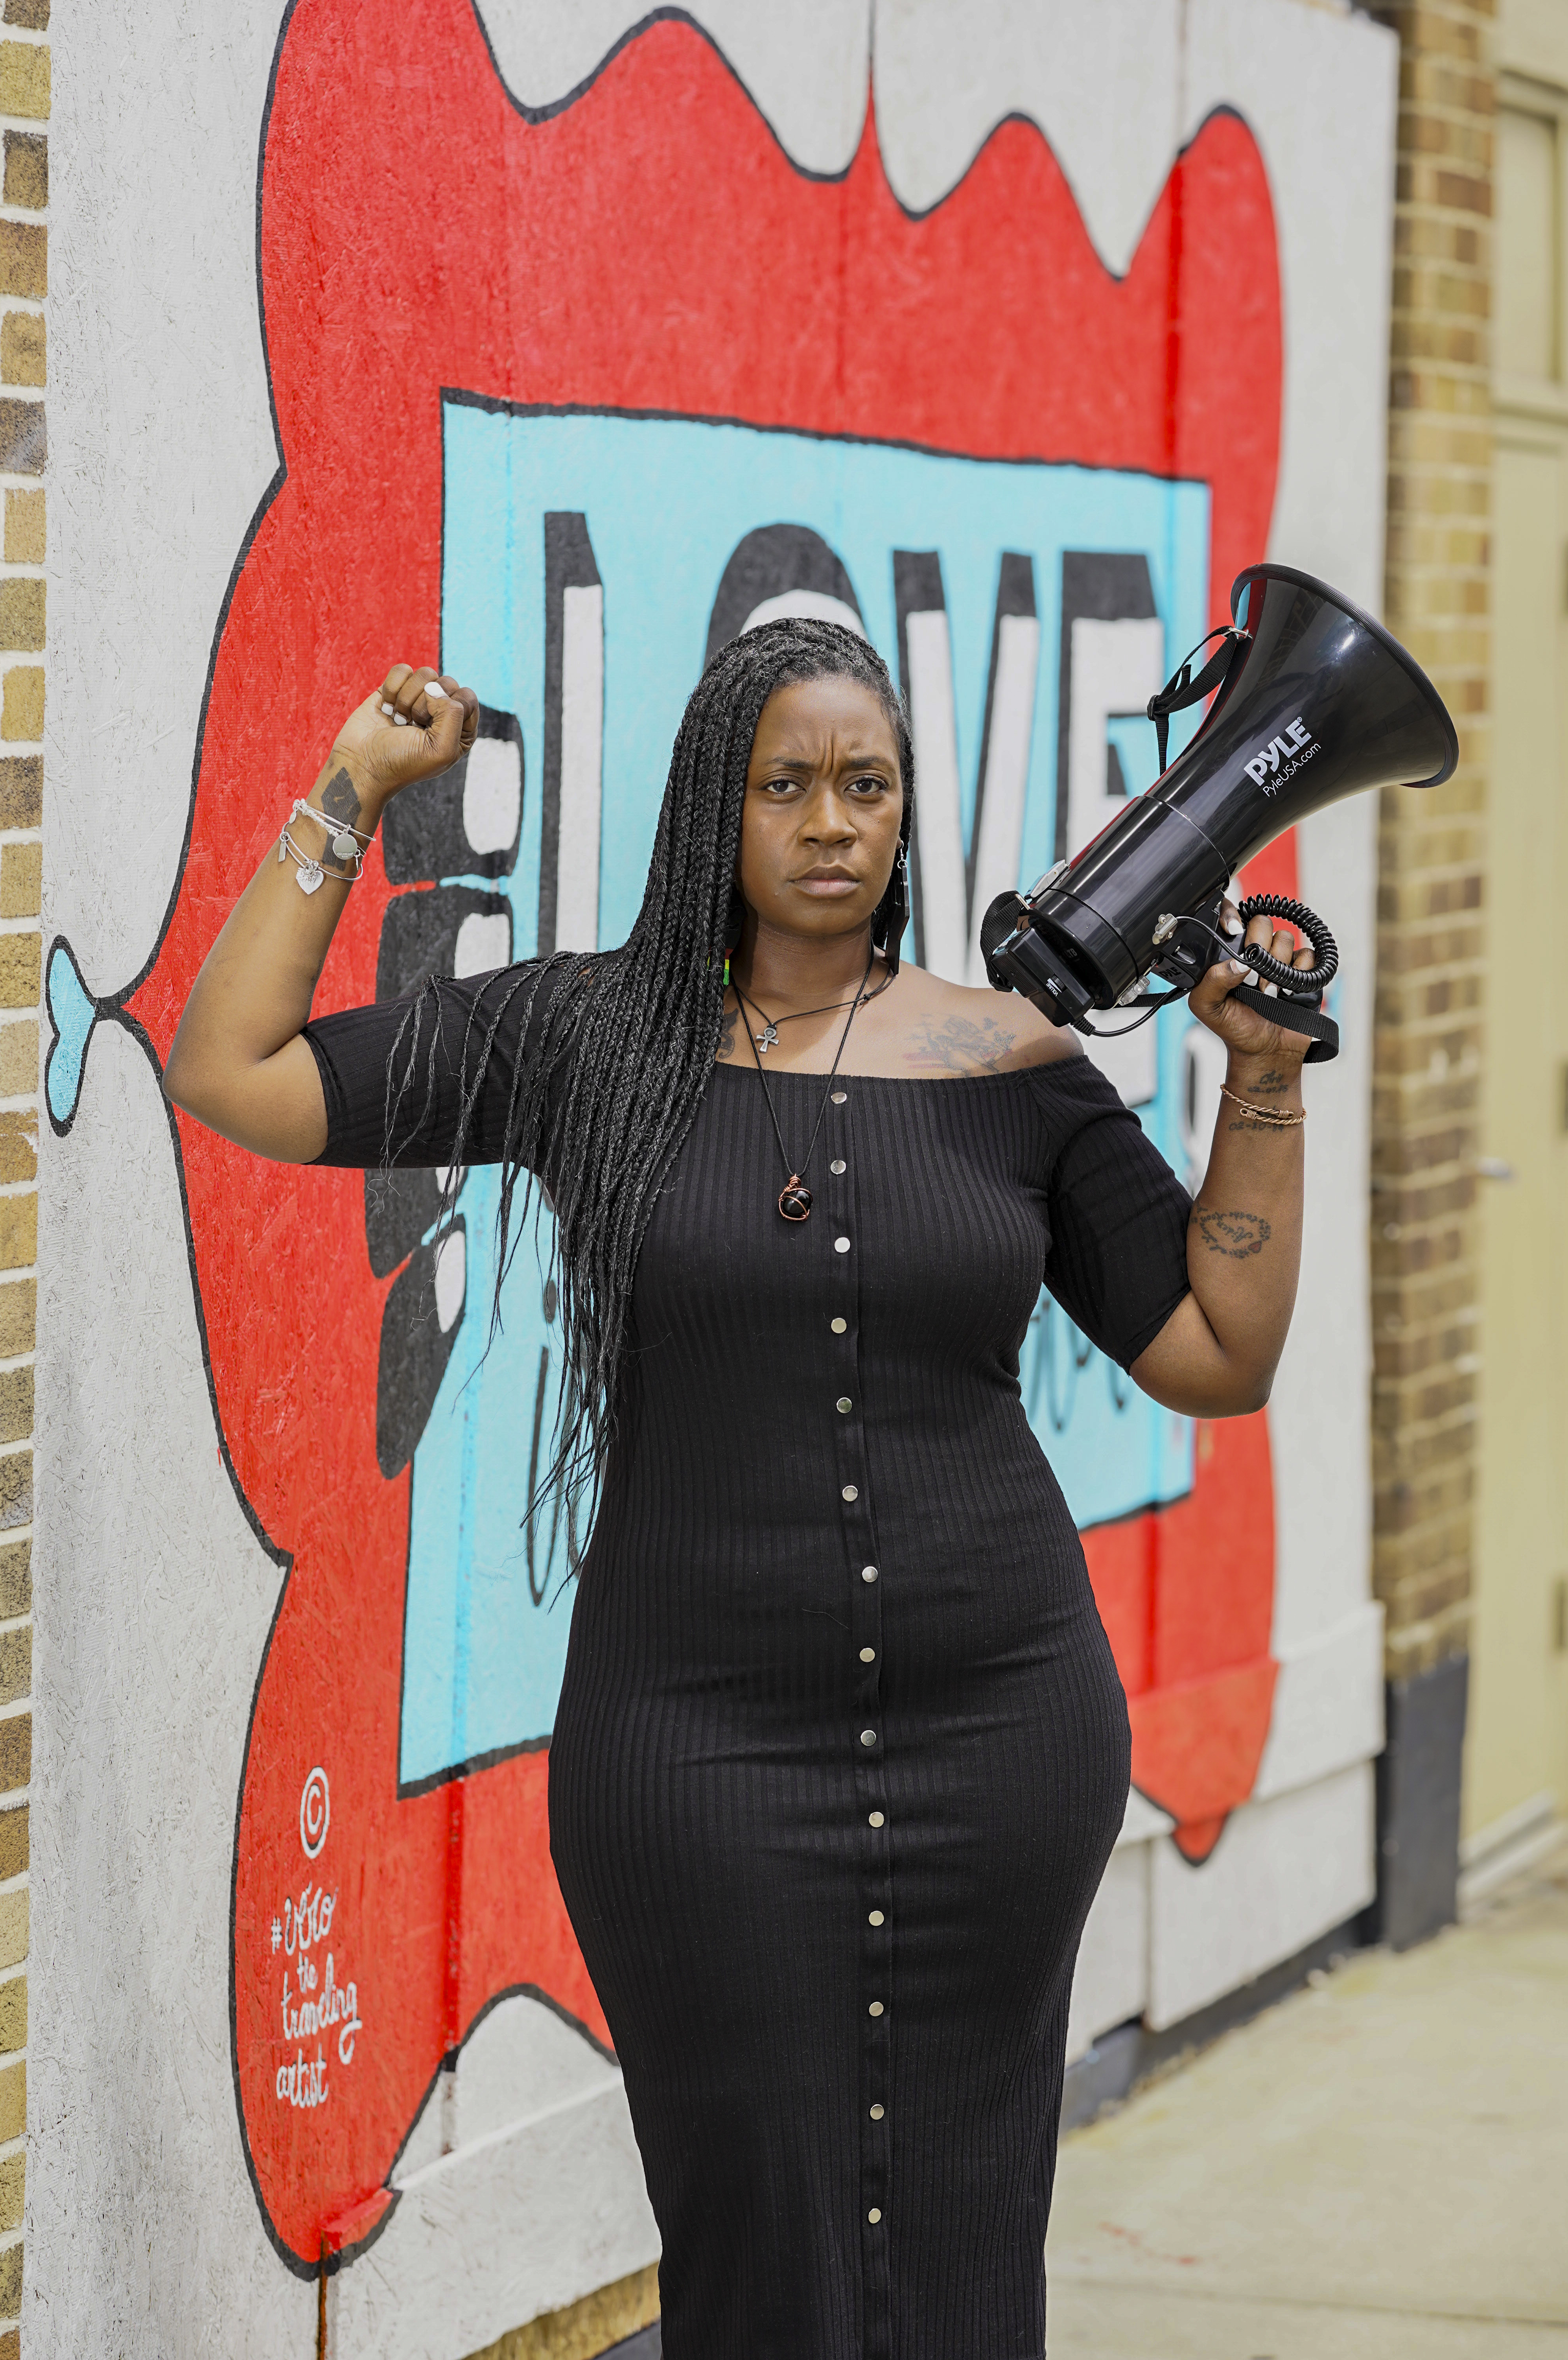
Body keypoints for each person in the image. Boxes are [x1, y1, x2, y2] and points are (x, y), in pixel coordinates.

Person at [166, 617, 1317, 2359]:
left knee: (966, 2230)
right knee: (756, 2230)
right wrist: (349, 793)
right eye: (786, 784)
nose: (831, 822)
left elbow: (1217, 1349)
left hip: (1003, 1742)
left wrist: (1264, 1080)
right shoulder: (585, 1040)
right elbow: (231, 1072)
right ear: (718, 799)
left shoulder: (1011, 1066)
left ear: (908, 812)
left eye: (867, 785)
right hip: (695, 1760)